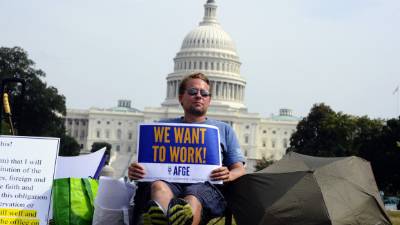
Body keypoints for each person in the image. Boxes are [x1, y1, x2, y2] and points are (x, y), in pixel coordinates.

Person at [128, 73, 245, 225]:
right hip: (167, 182)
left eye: (204, 93)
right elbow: (147, 166)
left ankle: (168, 218)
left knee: (193, 197)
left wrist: (228, 174)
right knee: (158, 186)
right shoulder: (161, 126)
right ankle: (166, 216)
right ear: (180, 98)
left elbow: (240, 169)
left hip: (205, 187)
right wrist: (135, 171)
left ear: (209, 100)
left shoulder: (224, 129)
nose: (199, 96)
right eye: (192, 92)